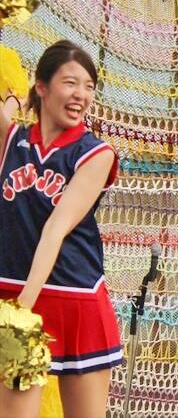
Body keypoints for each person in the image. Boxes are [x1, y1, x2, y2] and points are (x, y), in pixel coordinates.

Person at [0, 40, 122, 418]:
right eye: (70, 83)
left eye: (89, 86)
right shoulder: (12, 141)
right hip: (11, 293)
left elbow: (56, 227)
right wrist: (14, 101)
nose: (81, 95)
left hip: (74, 299)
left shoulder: (96, 153)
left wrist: (22, 310)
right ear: (41, 86)